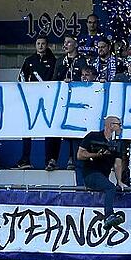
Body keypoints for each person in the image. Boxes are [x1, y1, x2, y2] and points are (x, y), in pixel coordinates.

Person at [77, 116, 127, 230]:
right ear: (110, 125)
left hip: (103, 175)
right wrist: (96, 155)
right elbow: (80, 155)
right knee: (110, 188)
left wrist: (119, 181)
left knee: (113, 187)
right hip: (90, 174)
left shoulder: (117, 143)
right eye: (118, 125)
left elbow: (118, 164)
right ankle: (108, 216)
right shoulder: (93, 136)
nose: (120, 128)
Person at [47, 36, 88, 171]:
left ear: (76, 44)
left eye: (69, 42)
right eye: (64, 42)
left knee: (73, 130)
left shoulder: (83, 61)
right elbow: (54, 80)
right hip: (62, 101)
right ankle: (53, 159)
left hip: (78, 101)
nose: (66, 45)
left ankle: (72, 157)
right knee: (56, 128)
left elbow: (86, 78)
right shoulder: (60, 61)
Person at [15, 35, 56, 169]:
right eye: (38, 43)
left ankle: (49, 160)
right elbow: (21, 78)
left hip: (48, 101)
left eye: (43, 43)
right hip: (31, 101)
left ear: (47, 45)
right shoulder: (29, 60)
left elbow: (55, 79)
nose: (40, 46)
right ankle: (25, 159)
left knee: (48, 130)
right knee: (28, 129)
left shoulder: (53, 60)